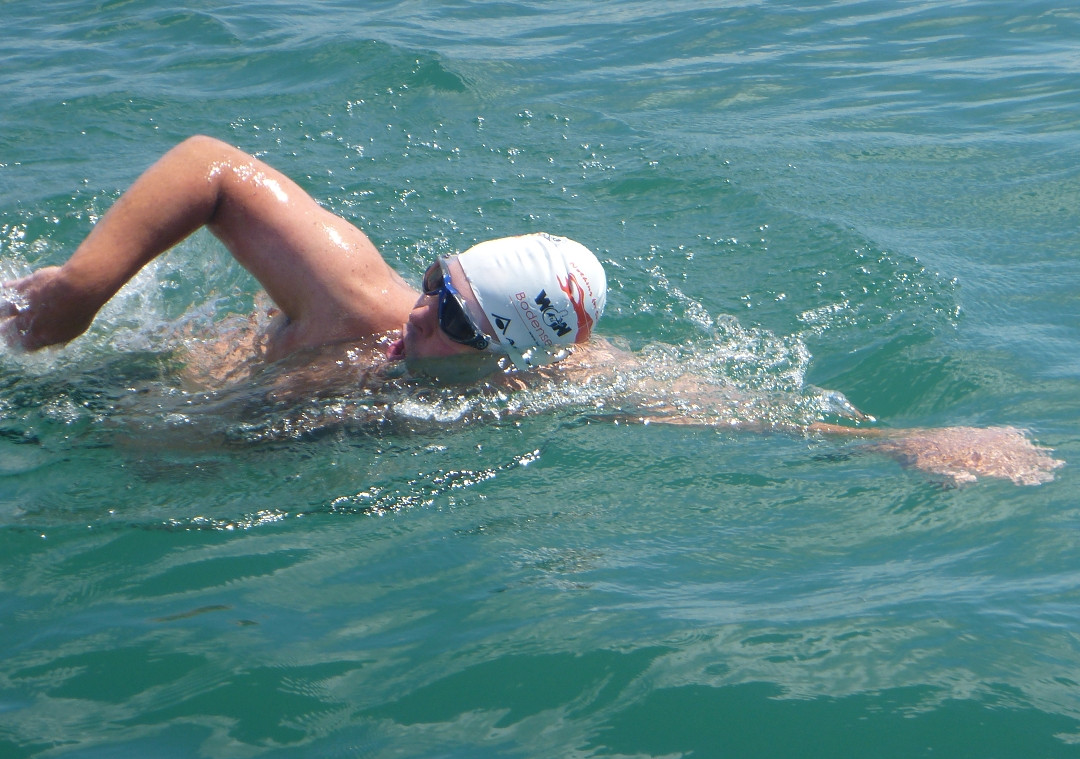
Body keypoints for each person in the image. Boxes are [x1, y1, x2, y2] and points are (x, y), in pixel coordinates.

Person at [0, 136, 1063, 485]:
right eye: (437, 288)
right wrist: (81, 293)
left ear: (513, 360)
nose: (419, 323)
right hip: (123, 385)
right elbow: (212, 168)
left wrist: (909, 440)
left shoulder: (565, 387)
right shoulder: (353, 293)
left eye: (459, 327)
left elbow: (741, 411)